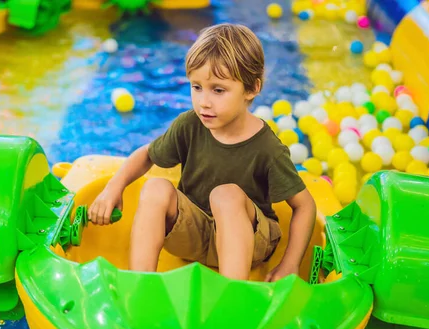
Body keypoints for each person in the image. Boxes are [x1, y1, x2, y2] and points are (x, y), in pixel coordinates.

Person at [88, 23, 316, 282]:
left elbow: (305, 206)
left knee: (225, 195)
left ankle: (233, 293)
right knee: (155, 188)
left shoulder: (268, 148)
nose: (203, 102)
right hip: (195, 238)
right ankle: (139, 285)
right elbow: (148, 154)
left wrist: (290, 263)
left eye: (218, 90)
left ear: (252, 89)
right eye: (196, 87)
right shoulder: (189, 125)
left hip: (249, 245)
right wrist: (113, 188)